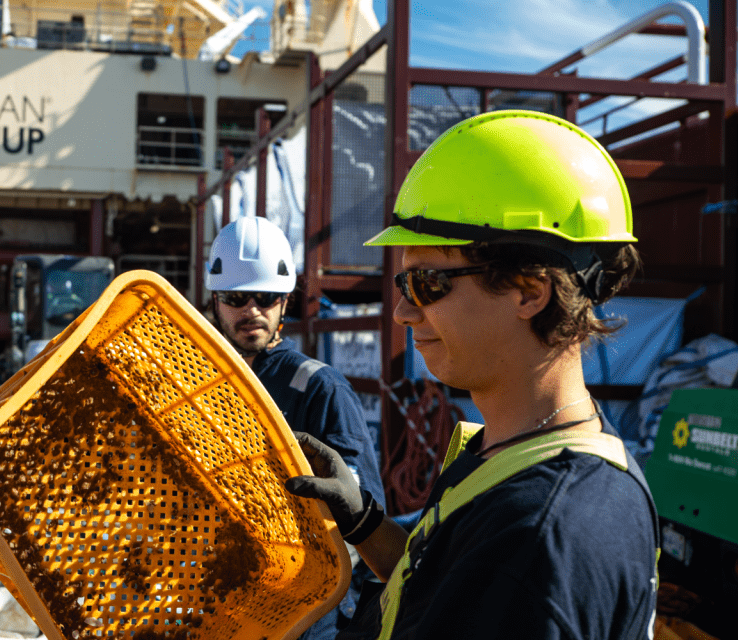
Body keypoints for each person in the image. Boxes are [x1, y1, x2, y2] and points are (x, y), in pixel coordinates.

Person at [285, 110, 660, 640]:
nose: (403, 312)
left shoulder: (544, 534)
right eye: (403, 283)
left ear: (529, 291)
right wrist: (365, 523)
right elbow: (442, 596)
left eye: (428, 282)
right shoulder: (519, 451)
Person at [205, 216, 385, 639]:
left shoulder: (320, 389)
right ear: (216, 301)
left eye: (266, 297)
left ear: (285, 302)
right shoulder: (205, 384)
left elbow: (365, 511)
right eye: (236, 296)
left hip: (310, 617)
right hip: (228, 600)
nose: (251, 310)